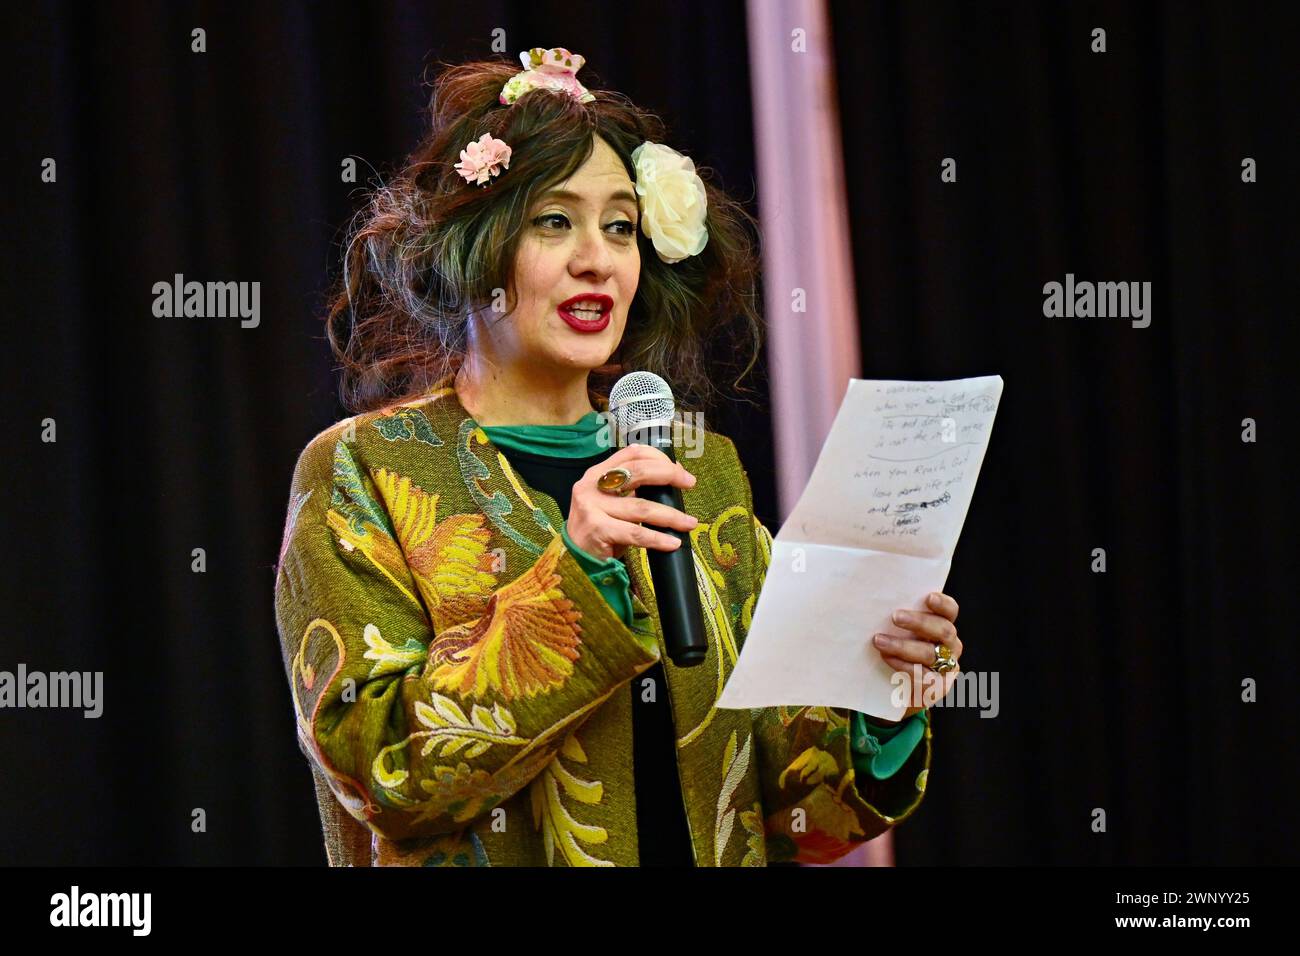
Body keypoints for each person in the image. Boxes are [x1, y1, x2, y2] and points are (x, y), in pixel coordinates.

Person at [273, 46, 963, 867]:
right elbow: (382, 775)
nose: (596, 257)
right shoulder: (365, 469)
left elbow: (796, 812)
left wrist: (879, 696)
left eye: (622, 226)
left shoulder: (697, 469)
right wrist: (578, 572)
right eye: (554, 220)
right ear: (476, 247)